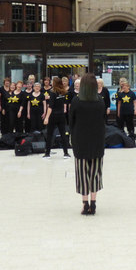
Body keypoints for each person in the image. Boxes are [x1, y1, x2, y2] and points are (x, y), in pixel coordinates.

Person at [69, 73, 105, 216]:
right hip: (97, 140)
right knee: (95, 172)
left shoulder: (76, 101)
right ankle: (94, 203)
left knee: (82, 172)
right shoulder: (100, 101)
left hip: (80, 140)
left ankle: (85, 204)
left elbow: (71, 121)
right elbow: (103, 120)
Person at [43, 76, 70, 159]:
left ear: (54, 83)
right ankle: (66, 153)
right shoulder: (64, 92)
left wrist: (47, 117)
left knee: (50, 134)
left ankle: (47, 153)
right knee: (63, 134)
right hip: (61, 115)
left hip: (53, 116)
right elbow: (64, 104)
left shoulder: (52, 92)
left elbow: (50, 107)